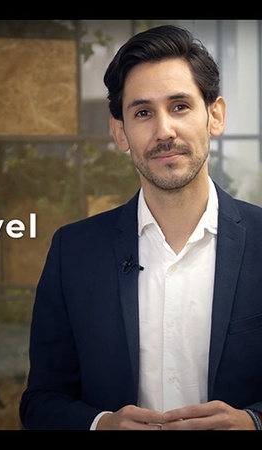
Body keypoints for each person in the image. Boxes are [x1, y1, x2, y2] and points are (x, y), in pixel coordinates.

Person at [19, 24, 262, 430]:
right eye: (143, 112)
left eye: (180, 106)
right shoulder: (73, 252)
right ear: (120, 131)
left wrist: (254, 422)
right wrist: (101, 425)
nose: (163, 130)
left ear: (214, 115)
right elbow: (41, 402)